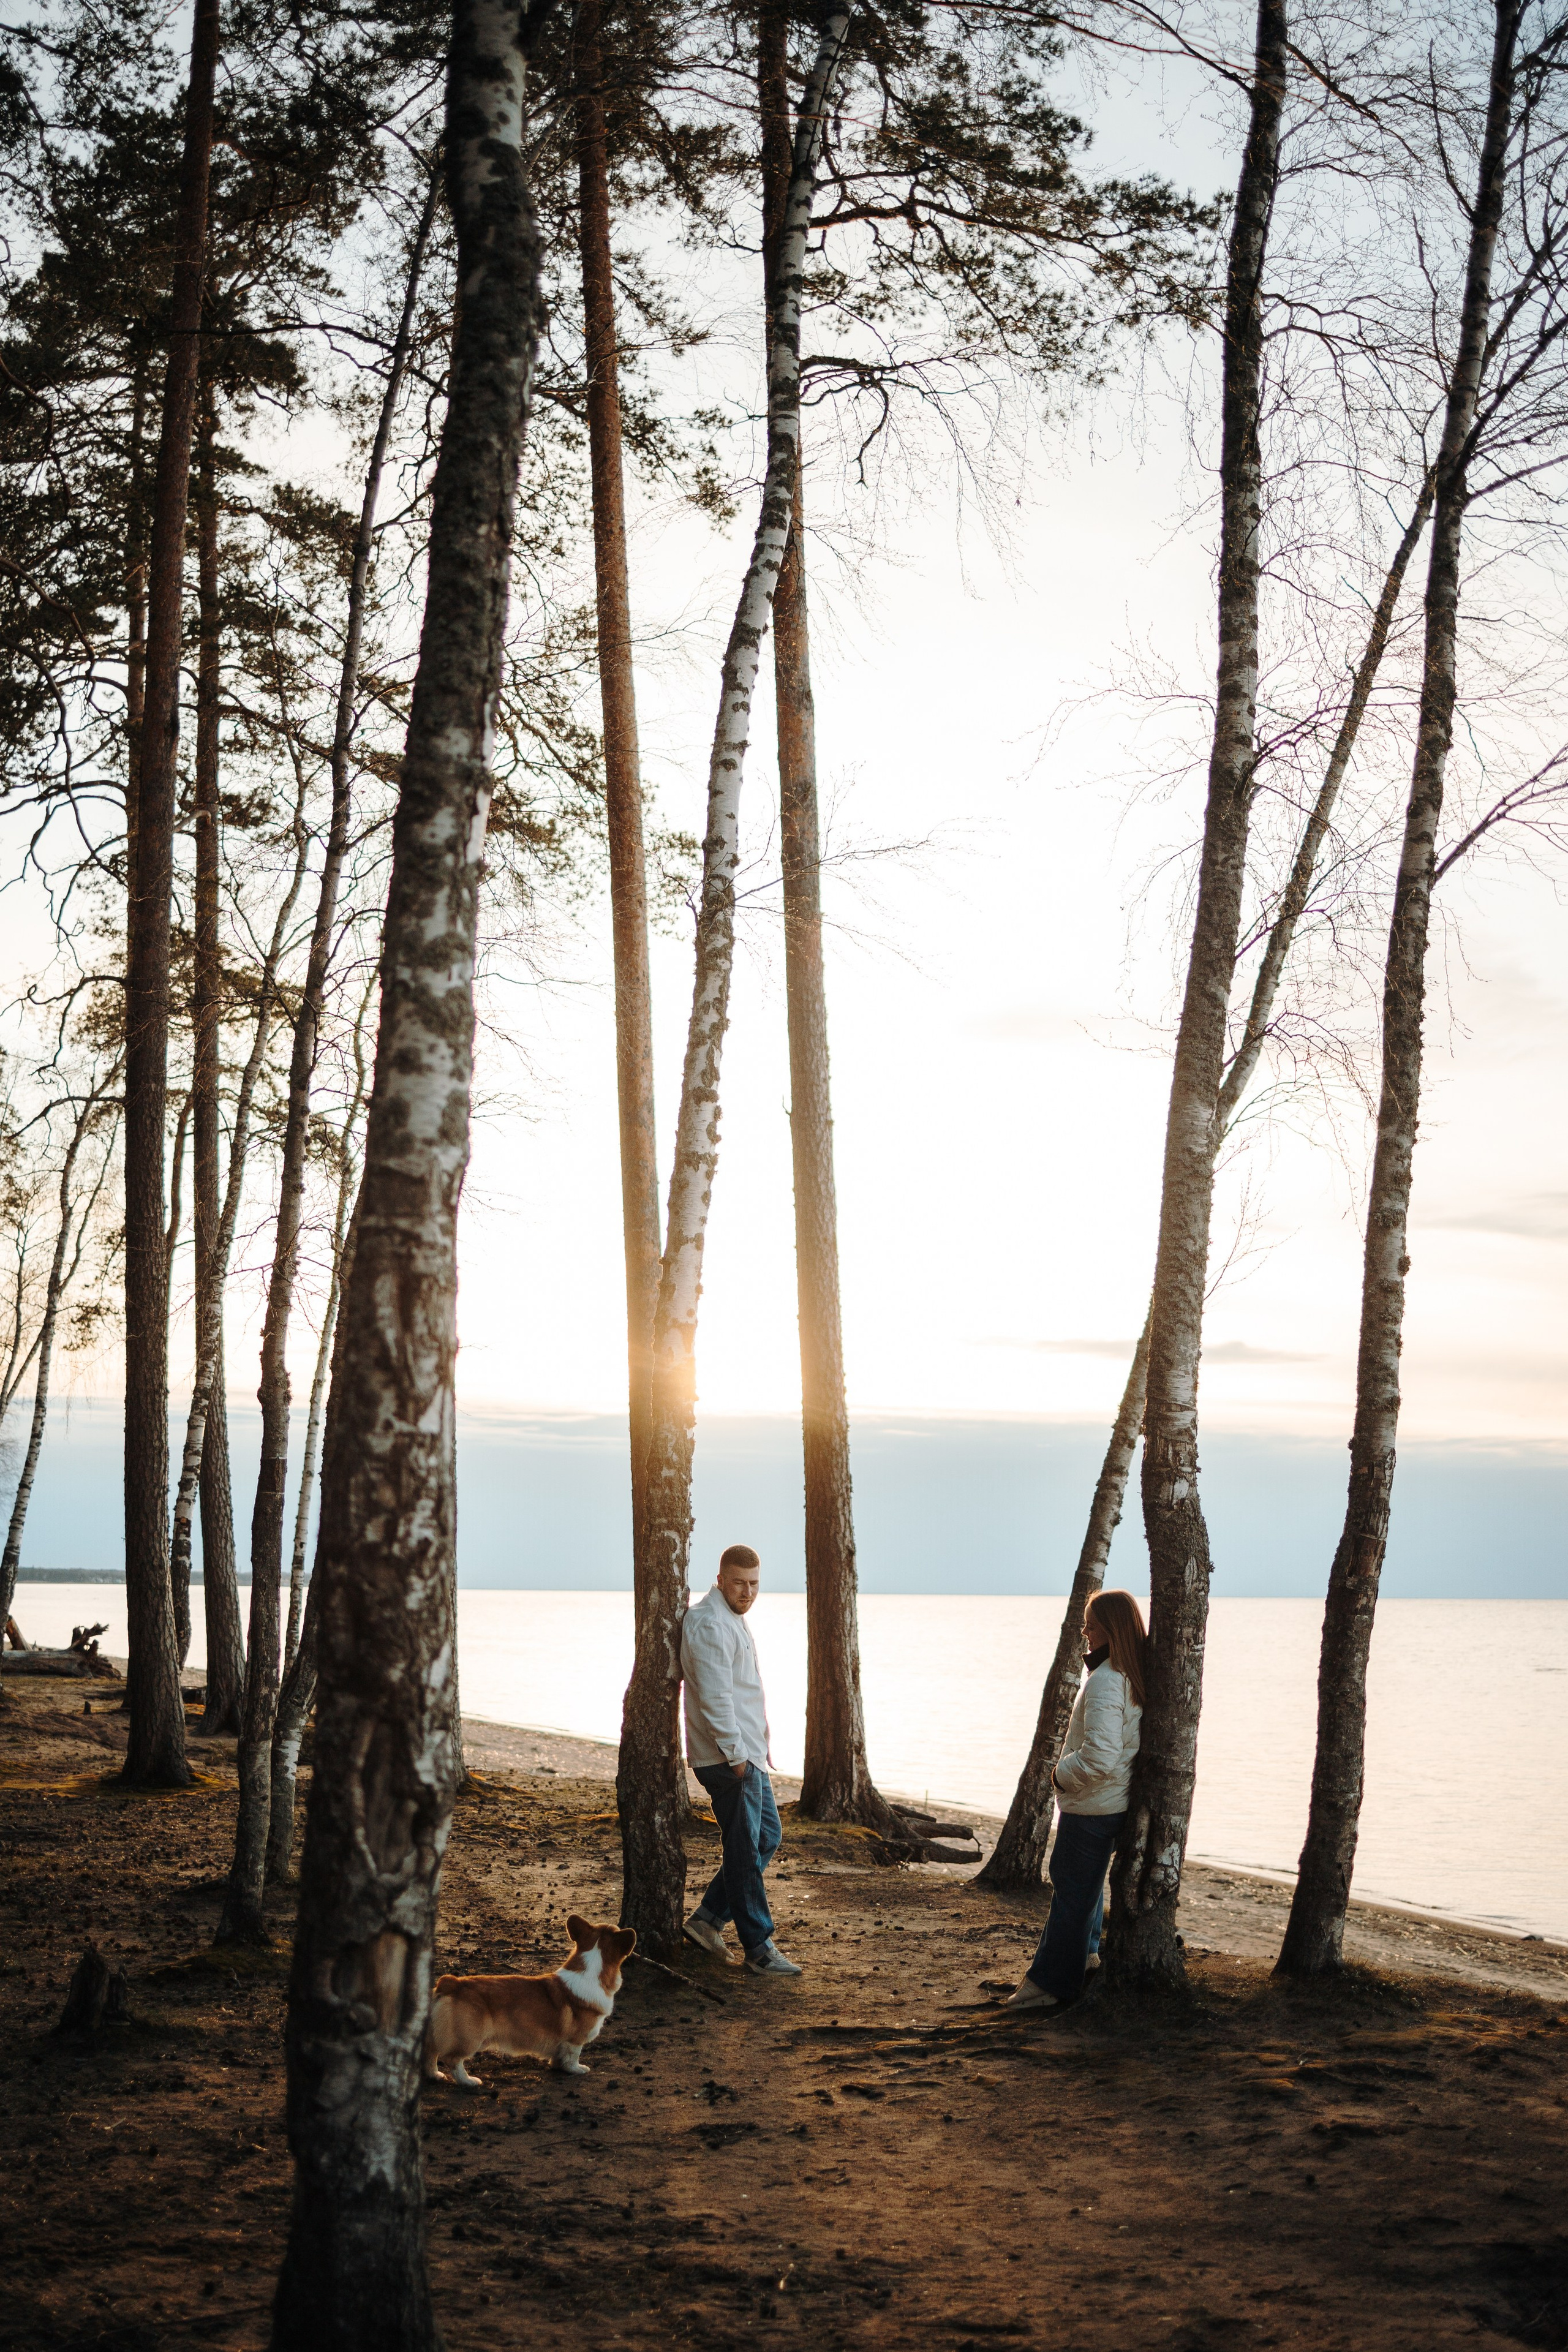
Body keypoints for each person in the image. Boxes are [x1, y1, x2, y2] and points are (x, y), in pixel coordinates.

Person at [1008, 1588, 1148, 2011]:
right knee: (1085, 1891)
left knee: (1071, 1892)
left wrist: (1059, 1775)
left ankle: (1049, 1984)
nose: (1084, 1631)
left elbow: (1101, 1755)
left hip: (1093, 1806)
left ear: (1111, 1629)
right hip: (1106, 1804)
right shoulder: (1126, 1673)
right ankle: (1086, 1959)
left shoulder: (1107, 1680)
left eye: (1090, 1624)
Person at [680, 1544, 802, 1977]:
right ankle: (760, 1949)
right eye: (739, 1583)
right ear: (720, 1580)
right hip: (729, 1758)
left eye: (754, 1584)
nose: (747, 1592)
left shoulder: (732, 1619)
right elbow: (716, 1698)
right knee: (745, 1852)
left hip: (747, 1756)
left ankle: (708, 1921)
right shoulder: (710, 1623)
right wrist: (736, 1758)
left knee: (765, 1837)